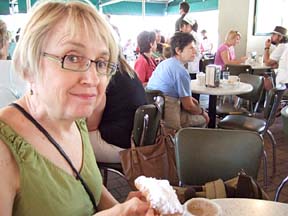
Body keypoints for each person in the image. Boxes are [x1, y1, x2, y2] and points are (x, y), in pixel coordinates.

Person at [0, 1, 156, 215]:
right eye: (72, 58)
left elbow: (91, 188)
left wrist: (123, 209)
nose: (92, 79)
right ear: (29, 66)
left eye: (101, 62)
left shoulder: (77, 120)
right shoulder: (4, 147)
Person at [86, 51, 147, 163]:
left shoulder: (107, 77)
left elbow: (91, 126)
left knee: (67, 141)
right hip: (133, 142)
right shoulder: (129, 73)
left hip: (117, 146)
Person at [147, 32, 209, 131]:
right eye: (191, 48)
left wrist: (192, 101)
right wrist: (202, 112)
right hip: (168, 112)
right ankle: (187, 144)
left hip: (155, 109)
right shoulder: (181, 71)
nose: (195, 51)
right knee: (203, 119)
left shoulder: (165, 63)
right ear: (178, 51)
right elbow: (188, 106)